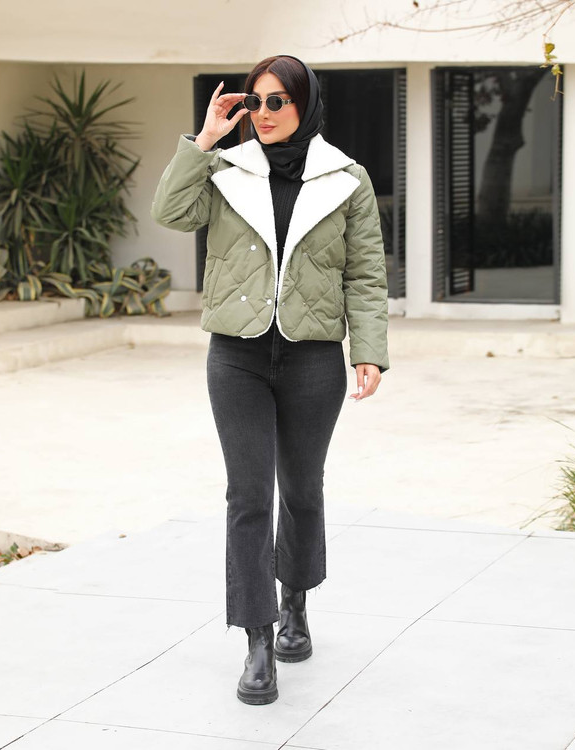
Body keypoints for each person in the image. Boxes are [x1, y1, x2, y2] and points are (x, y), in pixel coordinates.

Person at [151, 54, 389, 705]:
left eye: (276, 100)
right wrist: (204, 140)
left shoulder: (347, 179)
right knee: (248, 496)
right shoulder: (226, 170)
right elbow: (170, 211)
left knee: (302, 491)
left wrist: (368, 350)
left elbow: (365, 273)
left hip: (312, 358)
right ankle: (256, 640)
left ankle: (295, 604)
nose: (263, 112)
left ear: (304, 104)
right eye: (254, 101)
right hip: (237, 356)